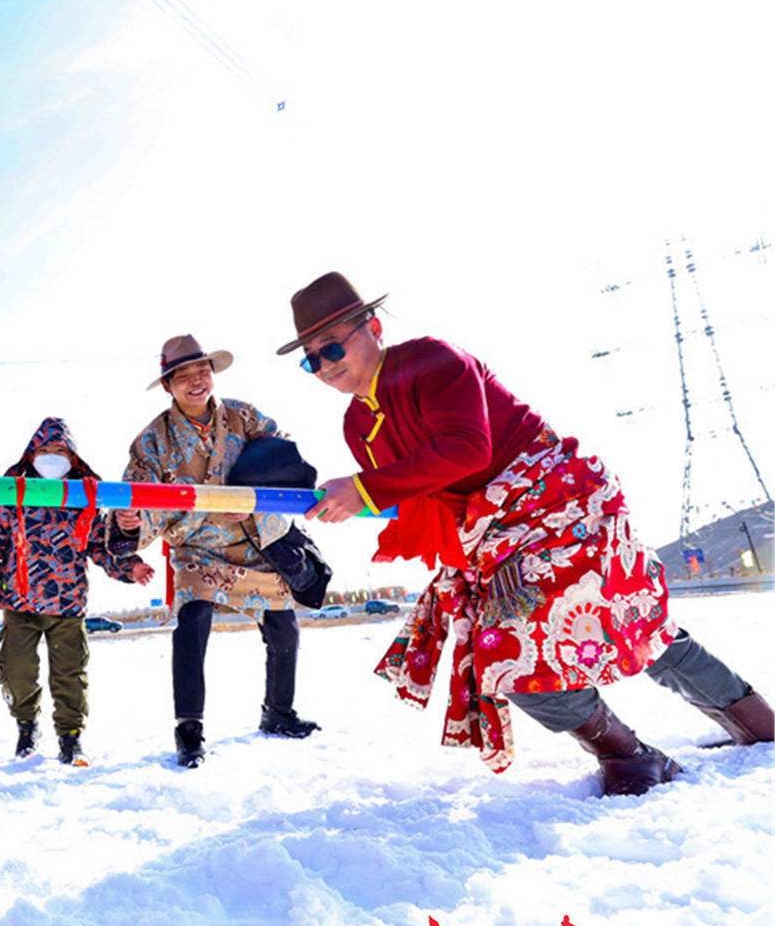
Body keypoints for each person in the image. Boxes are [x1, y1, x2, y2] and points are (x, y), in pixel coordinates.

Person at [288, 271, 771, 794]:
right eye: (311, 358)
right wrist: (353, 500)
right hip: (493, 538)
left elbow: (466, 449)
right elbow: (421, 494)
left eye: (332, 345)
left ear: (374, 327)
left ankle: (756, 726)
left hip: (562, 502)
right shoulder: (356, 426)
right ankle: (627, 753)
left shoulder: (433, 361)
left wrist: (366, 488)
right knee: (510, 651)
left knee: (631, 625)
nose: (325, 364)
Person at [113, 335, 322, 769]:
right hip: (198, 546)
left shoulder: (242, 415)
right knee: (193, 620)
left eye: (202, 371)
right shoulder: (152, 441)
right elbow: (138, 493)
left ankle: (278, 712)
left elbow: (281, 453)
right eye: (184, 376)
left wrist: (248, 493)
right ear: (168, 384)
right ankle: (189, 728)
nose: (196, 382)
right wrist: (132, 519)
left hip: (253, 539)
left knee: (284, 626)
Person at [0, 418, 154, 765]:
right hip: (19, 603)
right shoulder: (13, 493)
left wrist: (131, 567)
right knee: (17, 670)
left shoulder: (85, 497)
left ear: (73, 457)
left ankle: (71, 737)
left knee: (70, 675)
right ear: (30, 454)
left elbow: (100, 546)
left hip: (68, 605)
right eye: (44, 450)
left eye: (60, 451)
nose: (52, 457)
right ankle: (27, 726)